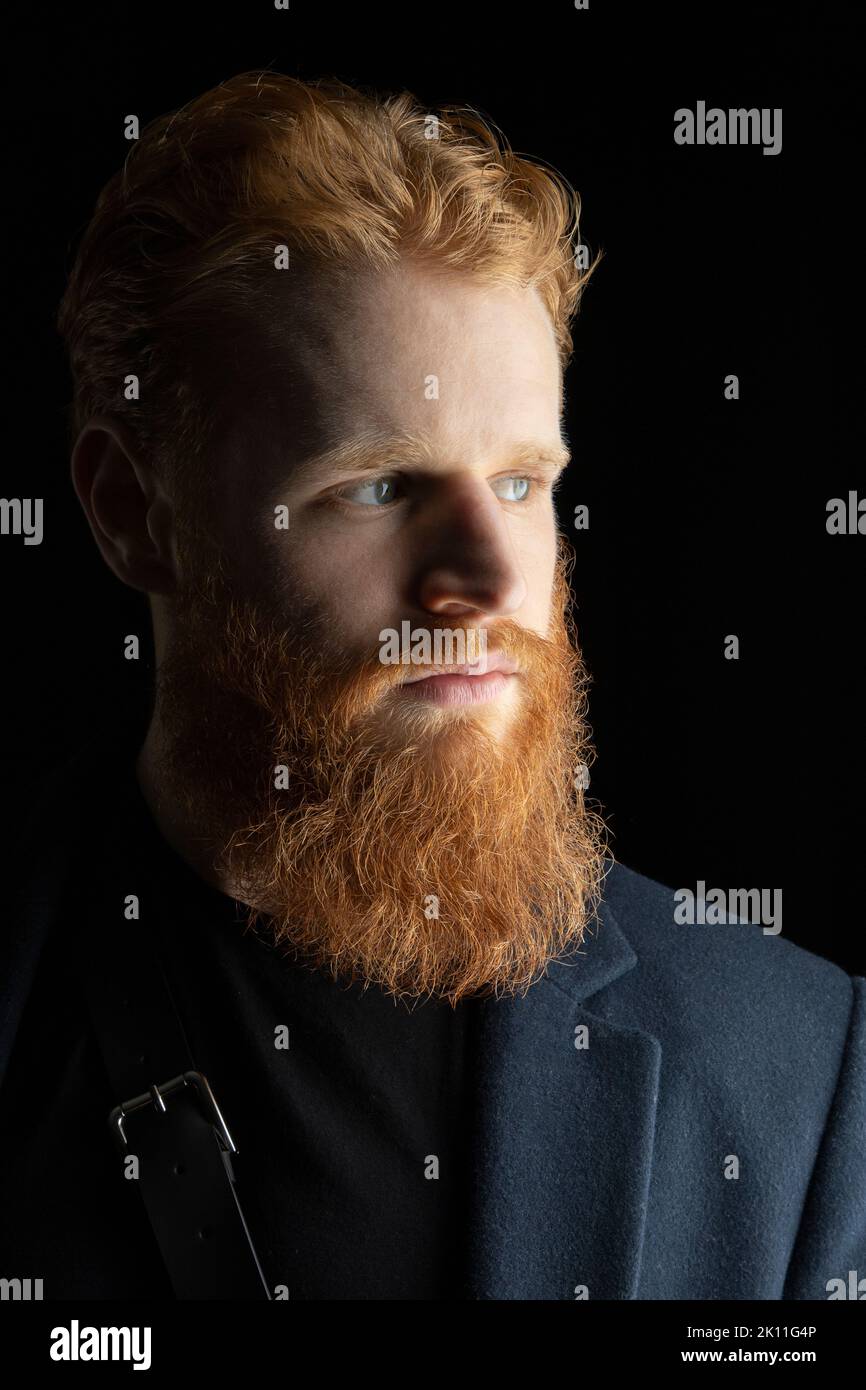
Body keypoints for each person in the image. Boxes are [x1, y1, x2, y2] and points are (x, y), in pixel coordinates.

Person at [1, 71, 863, 1302]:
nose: (485, 577)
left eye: (520, 482)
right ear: (134, 511)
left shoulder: (799, 1063)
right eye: (378, 485)